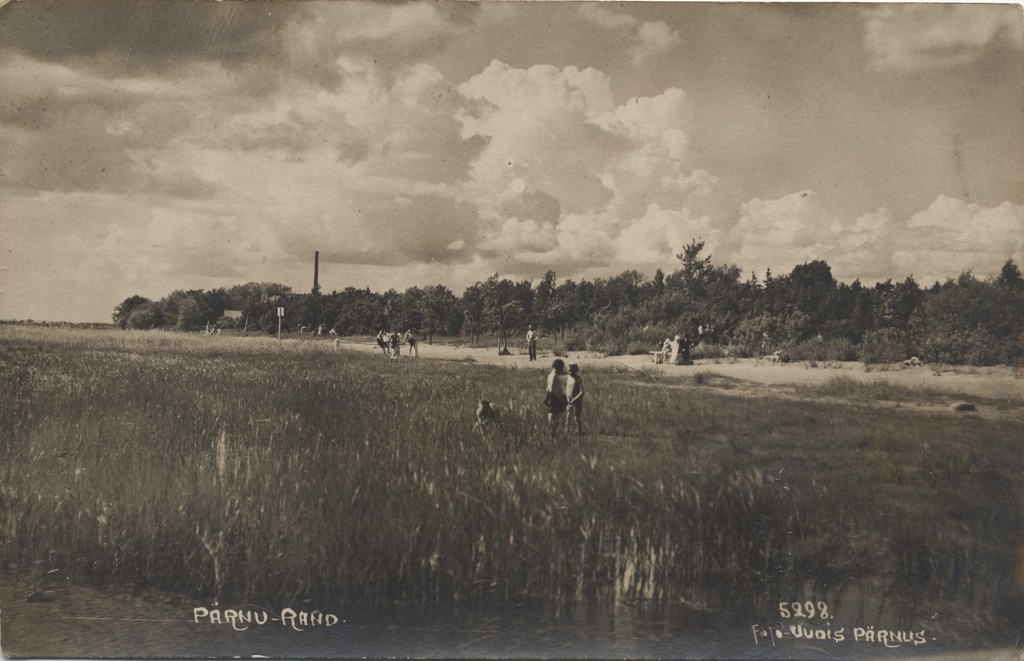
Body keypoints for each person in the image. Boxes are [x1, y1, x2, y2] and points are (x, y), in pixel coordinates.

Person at [544, 359, 568, 436]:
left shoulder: (550, 375)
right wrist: (559, 398)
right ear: (558, 367)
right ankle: (552, 434)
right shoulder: (554, 376)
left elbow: (548, 388)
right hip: (555, 397)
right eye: (561, 368)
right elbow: (551, 389)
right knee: (554, 417)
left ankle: (552, 433)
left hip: (553, 396)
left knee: (554, 416)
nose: (562, 370)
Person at [565, 363, 584, 436]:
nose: (570, 373)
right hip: (569, 401)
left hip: (577, 401)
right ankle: (566, 433)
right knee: (568, 417)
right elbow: (567, 388)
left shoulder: (578, 379)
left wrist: (574, 400)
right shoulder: (568, 378)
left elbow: (582, 391)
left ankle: (580, 433)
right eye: (569, 371)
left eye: (572, 371)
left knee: (576, 417)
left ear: (576, 371)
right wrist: (567, 398)